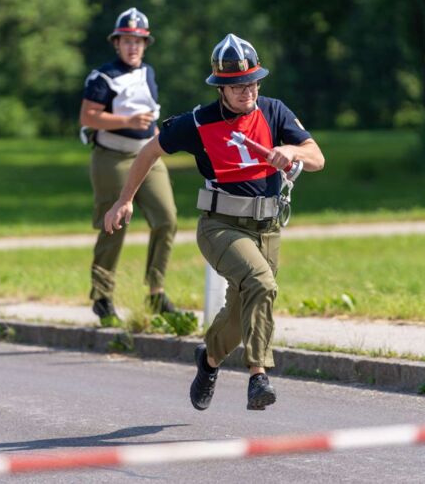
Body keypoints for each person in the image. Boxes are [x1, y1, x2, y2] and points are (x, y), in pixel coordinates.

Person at [105, 33, 325, 410]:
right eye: (237, 86)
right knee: (261, 283)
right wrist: (124, 200)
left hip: (267, 227)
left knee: (243, 309)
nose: (247, 91)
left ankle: (208, 360)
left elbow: (317, 157)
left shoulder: (274, 111)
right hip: (220, 226)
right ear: (220, 87)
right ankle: (258, 376)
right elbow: (149, 151)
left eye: (252, 83)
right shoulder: (197, 122)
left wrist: (289, 152)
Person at [79, 7, 179, 323]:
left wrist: (159, 140)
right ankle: (102, 296)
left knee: (166, 218)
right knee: (114, 224)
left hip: (147, 154)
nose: (132, 46)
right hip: (112, 157)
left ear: (145, 44)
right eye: (127, 40)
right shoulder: (103, 76)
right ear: (117, 43)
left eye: (138, 41)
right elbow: (88, 117)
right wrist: (128, 121)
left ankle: (156, 291)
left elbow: (150, 115)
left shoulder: (148, 72)